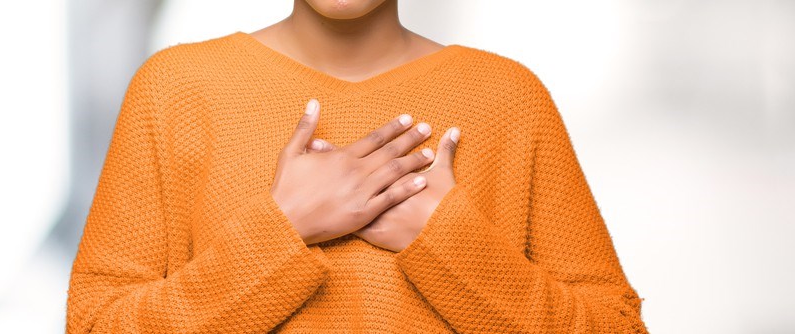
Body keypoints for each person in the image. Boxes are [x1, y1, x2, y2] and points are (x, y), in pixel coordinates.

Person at [65, 0, 649, 332]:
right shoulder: (176, 91)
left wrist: (447, 241)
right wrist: (280, 231)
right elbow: (94, 326)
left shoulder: (508, 98)